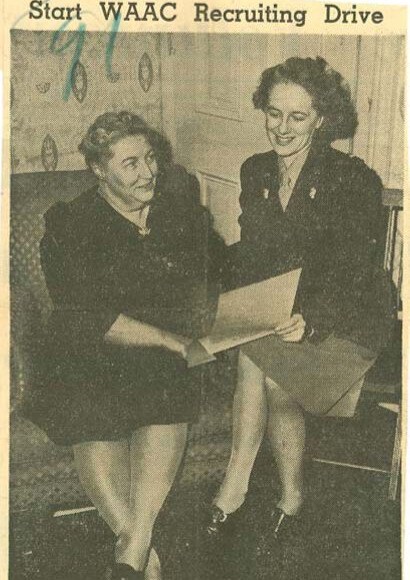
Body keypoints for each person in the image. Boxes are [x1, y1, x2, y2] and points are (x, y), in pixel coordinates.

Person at [24, 111, 223, 579]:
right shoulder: (71, 223)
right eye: (130, 163)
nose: (148, 172)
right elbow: (86, 315)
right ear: (99, 169)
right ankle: (146, 557)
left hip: (161, 355)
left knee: (168, 386)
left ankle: (133, 556)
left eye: (150, 159)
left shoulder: (182, 215)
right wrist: (173, 339)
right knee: (90, 403)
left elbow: (217, 276)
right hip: (90, 347)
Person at [207, 57, 393, 539]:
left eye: (297, 116)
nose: (281, 127)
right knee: (263, 364)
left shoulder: (354, 180)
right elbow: (253, 255)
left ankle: (240, 489)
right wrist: (230, 298)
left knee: (263, 370)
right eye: (274, 113)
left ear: (322, 119)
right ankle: (287, 501)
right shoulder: (256, 171)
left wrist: (310, 320)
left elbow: (354, 273)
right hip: (283, 310)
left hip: (347, 319)